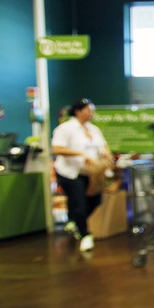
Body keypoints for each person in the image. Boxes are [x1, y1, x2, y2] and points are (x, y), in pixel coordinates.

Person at [51, 98, 112, 252]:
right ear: (78, 111)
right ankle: (85, 235)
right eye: (88, 110)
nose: (91, 113)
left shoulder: (93, 129)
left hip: (90, 173)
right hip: (69, 173)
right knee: (79, 202)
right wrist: (80, 154)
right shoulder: (65, 128)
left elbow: (103, 145)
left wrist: (106, 153)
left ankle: (74, 221)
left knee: (96, 200)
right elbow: (57, 149)